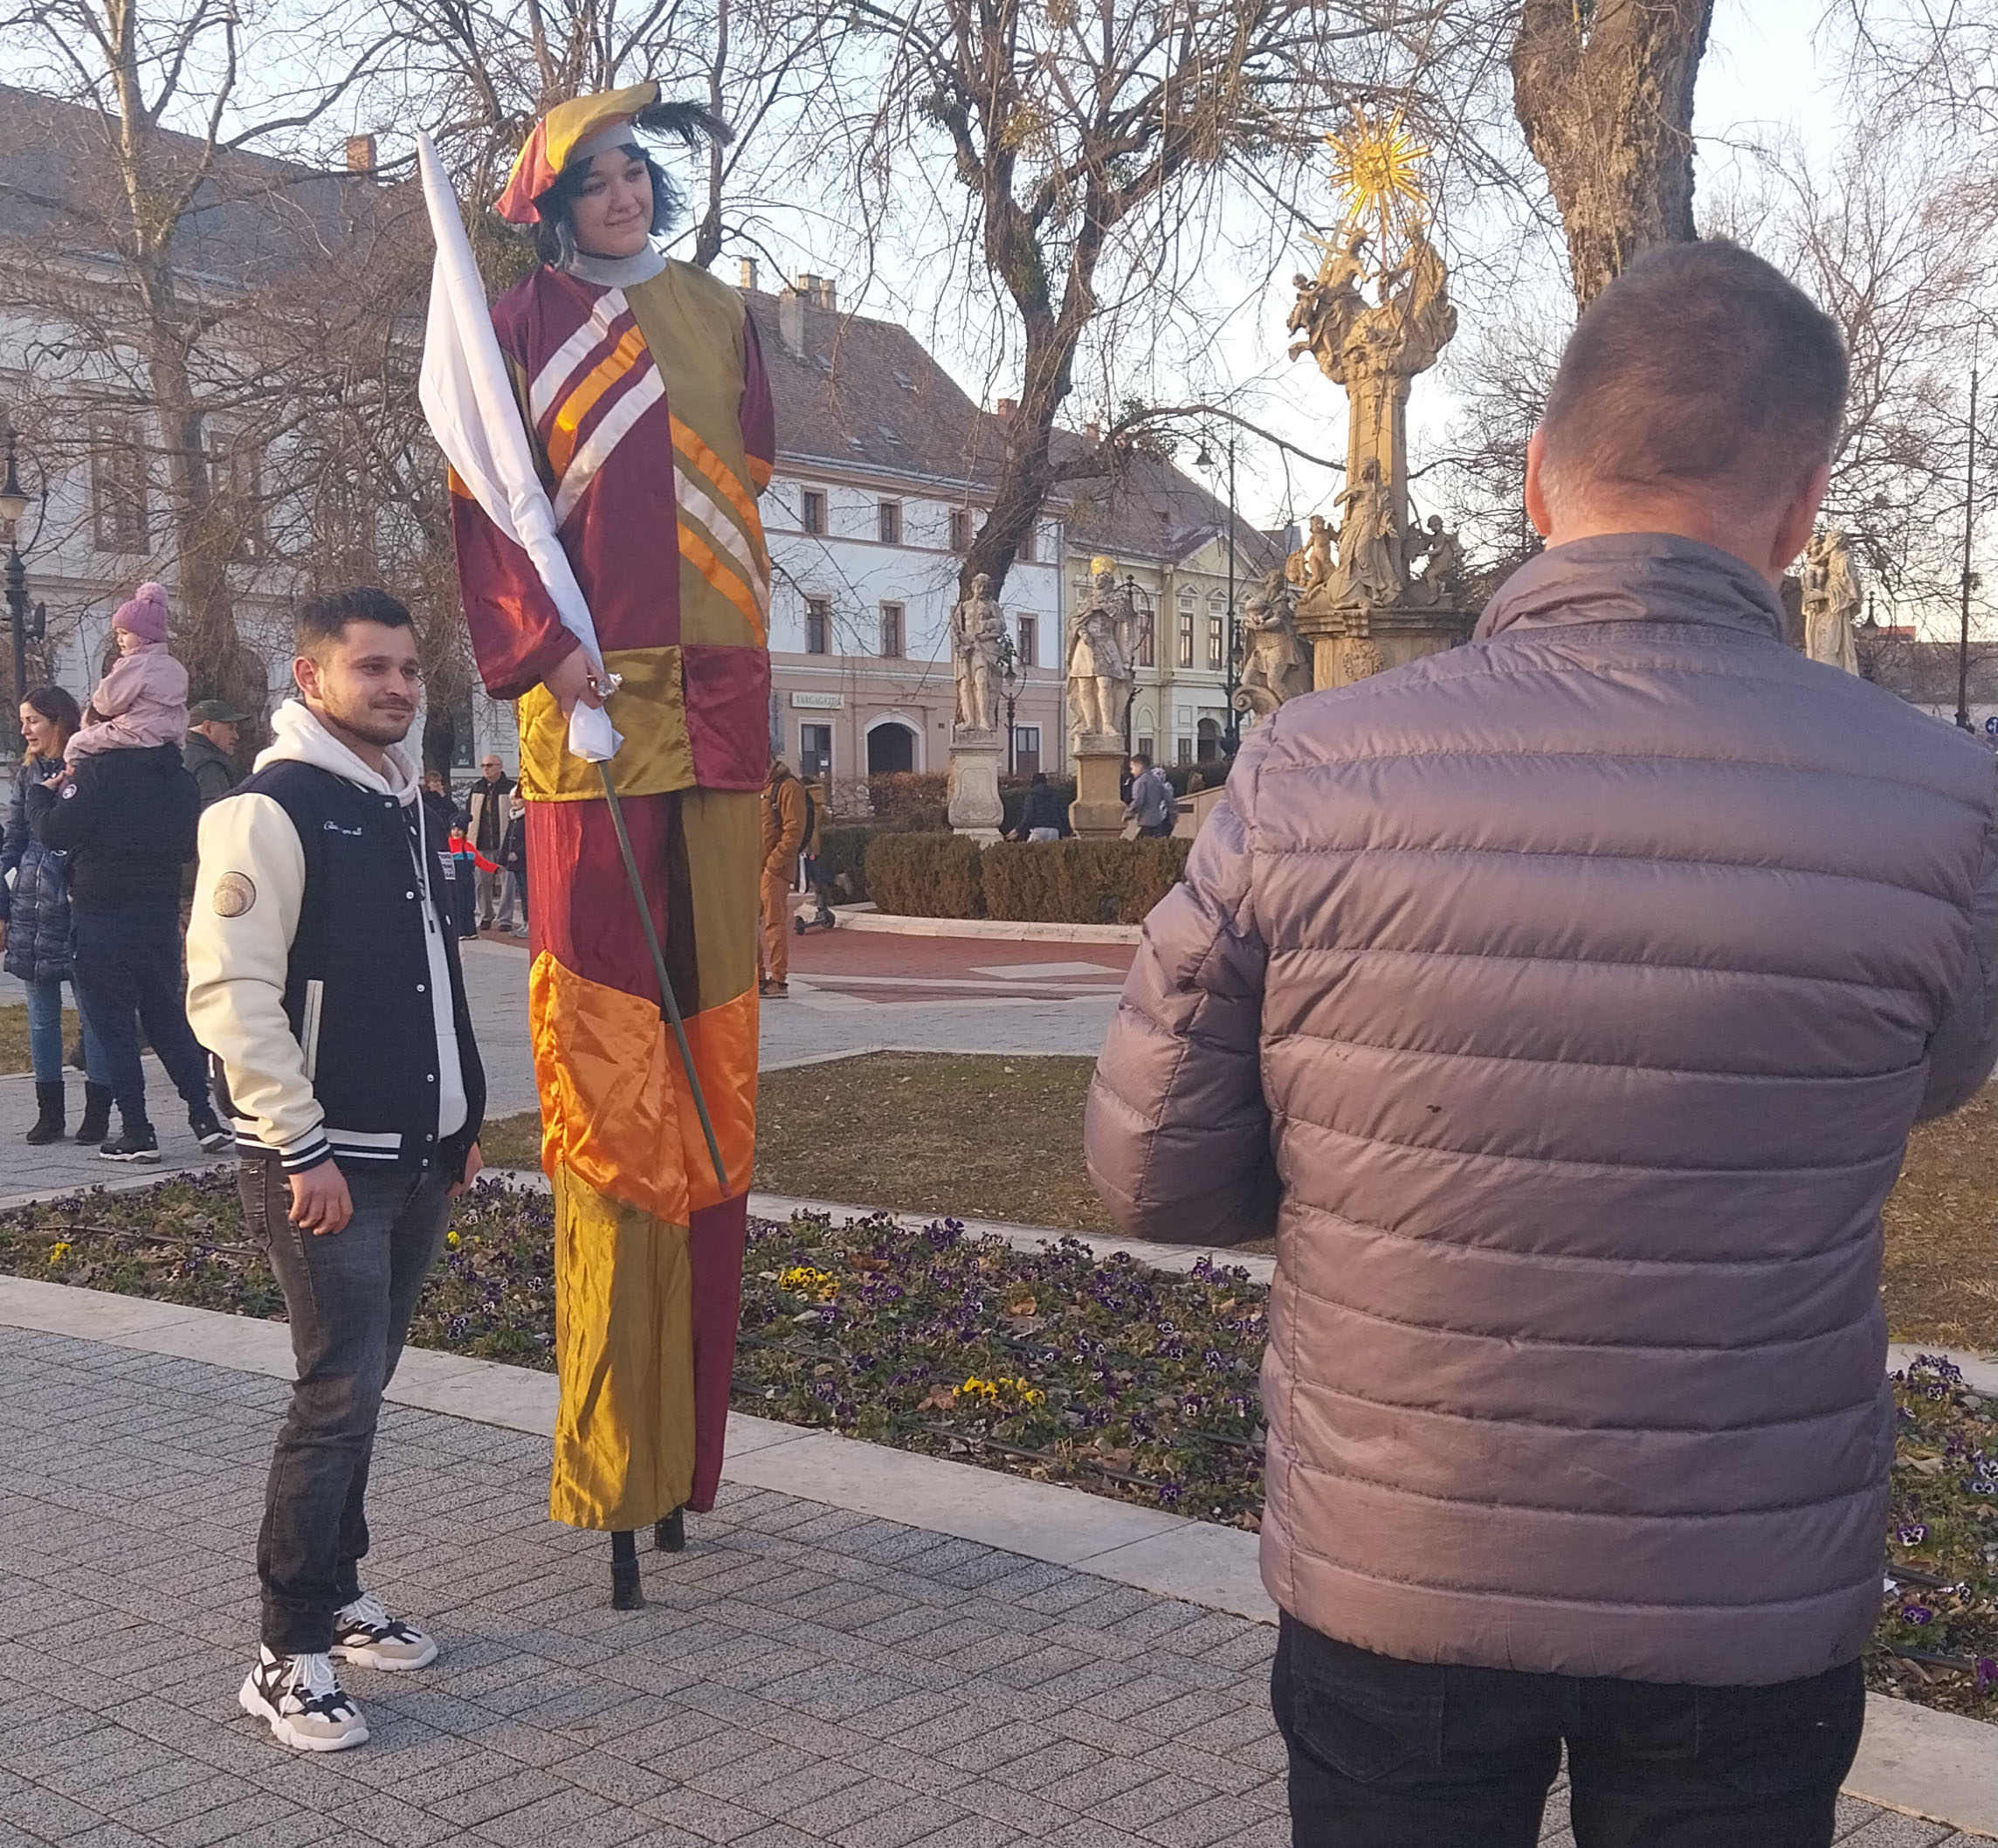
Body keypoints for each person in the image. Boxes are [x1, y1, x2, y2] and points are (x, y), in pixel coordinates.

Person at [1085, 239, 1998, 1847]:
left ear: (1533, 477)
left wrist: (1366, 1175)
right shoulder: (1937, 802)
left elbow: (1152, 1166)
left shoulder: (1313, 770)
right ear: (1800, 512)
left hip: (1407, 1551)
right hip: (1741, 1577)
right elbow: (1919, 1081)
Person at [449, 80, 773, 1603]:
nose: (625, 193)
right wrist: (543, 654)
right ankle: (616, 1456)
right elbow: (490, 513)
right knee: (609, 1091)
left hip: (722, 720)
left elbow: (741, 486)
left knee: (713, 1088)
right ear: (552, 204)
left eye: (637, 170)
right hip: (588, 728)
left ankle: (687, 1456)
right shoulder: (513, 329)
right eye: (595, 179)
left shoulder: (719, 316)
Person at [185, 587, 486, 1754]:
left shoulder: (402, 802)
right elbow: (230, 993)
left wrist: (458, 1123)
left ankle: (342, 1592)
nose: (399, 687)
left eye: (409, 669)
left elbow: (431, 975)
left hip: (412, 1159)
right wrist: (298, 1143)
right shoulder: (270, 810)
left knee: (363, 1388)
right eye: (373, 668)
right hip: (321, 1167)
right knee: (332, 1395)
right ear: (312, 679)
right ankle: (286, 1651)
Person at [29, 682, 226, 1163]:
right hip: (157, 912)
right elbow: (188, 848)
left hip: (101, 912)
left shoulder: (98, 773)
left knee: (113, 1026)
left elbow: (55, 833)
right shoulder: (180, 778)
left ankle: (137, 1130)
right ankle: (204, 1118)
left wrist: (40, 796)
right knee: (166, 1016)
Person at [1, 686, 110, 1144]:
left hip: (79, 903)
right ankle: (50, 1114)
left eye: (33, 720)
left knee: (93, 1014)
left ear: (59, 721)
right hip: (31, 907)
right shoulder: (28, 774)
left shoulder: (88, 769)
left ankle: (98, 1112)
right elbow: (13, 837)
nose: (25, 729)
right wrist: (4, 901)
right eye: (23, 720)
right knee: (41, 1016)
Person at [65, 582, 189, 766]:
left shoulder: (135, 664)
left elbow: (108, 703)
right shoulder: (175, 666)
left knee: (77, 743)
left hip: (136, 731)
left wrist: (98, 706)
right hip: (169, 733)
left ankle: (73, 773)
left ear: (144, 635)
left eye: (124, 633)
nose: (119, 640)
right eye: (118, 634)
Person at [759, 755, 807, 995]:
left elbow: (793, 831)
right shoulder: (758, 787)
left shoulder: (788, 787)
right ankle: (756, 977)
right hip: (753, 867)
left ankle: (778, 980)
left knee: (774, 923)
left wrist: (773, 864)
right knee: (747, 925)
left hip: (774, 869)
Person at [465, 754, 513, 930]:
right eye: (483, 765)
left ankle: (505, 919)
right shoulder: (477, 787)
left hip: (505, 843)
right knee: (481, 883)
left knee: (508, 884)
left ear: (500, 767)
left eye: (490, 765)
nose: (485, 768)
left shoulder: (511, 787)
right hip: (481, 843)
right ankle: (486, 915)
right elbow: (468, 814)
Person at [183, 699, 250, 809]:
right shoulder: (208, 765)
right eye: (230, 729)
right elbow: (216, 812)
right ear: (208, 728)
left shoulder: (177, 753)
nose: (236, 736)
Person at [1122, 754, 1173, 838]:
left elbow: (1138, 801)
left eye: (1132, 768)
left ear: (1139, 766)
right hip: (1158, 820)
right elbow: (1169, 800)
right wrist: (1173, 815)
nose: (1132, 772)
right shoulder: (1157, 781)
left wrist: (1128, 814)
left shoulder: (1140, 782)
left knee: (1140, 843)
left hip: (1145, 821)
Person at [498, 806, 529, 934]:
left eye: (517, 798)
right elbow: (508, 838)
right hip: (514, 862)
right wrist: (503, 859)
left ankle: (531, 922)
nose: (514, 802)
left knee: (528, 892)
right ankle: (525, 921)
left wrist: (519, 853)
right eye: (512, 799)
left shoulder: (528, 816)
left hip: (524, 860)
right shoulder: (513, 817)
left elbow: (530, 838)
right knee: (522, 893)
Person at [1016, 769, 1064, 842]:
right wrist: (1067, 831)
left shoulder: (1032, 796)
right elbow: (1062, 814)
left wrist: (1018, 830)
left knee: (1031, 848)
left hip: (1038, 830)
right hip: (1054, 830)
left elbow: (1028, 816)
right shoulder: (1054, 796)